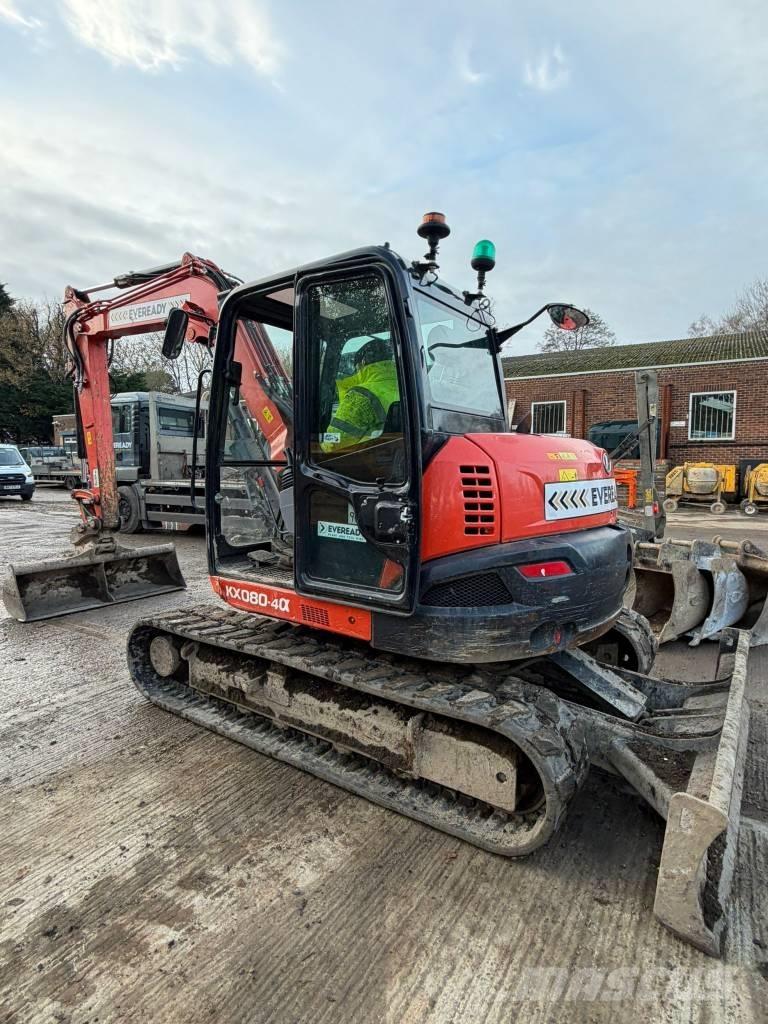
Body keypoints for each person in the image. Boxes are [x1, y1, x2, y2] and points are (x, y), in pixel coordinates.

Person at [321, 337, 399, 452]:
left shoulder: (360, 396)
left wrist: (319, 446)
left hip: (367, 460)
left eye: (356, 369)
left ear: (362, 363)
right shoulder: (403, 387)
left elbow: (334, 444)